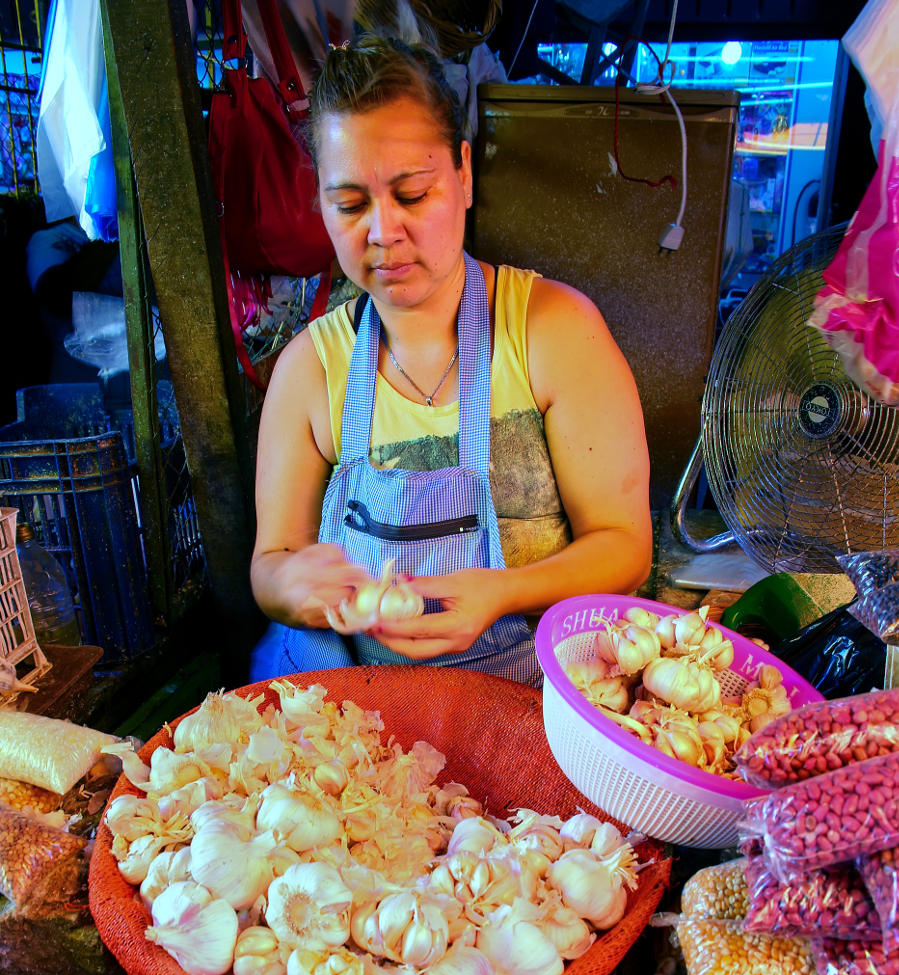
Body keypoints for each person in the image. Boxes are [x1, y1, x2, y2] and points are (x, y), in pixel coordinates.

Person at [249, 34, 652, 686]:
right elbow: (273, 560)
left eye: (411, 194)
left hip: (532, 706)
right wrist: (291, 583)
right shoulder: (309, 369)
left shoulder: (555, 332)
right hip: (367, 721)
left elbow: (625, 547)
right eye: (349, 203)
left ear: (463, 174)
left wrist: (500, 591)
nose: (382, 231)